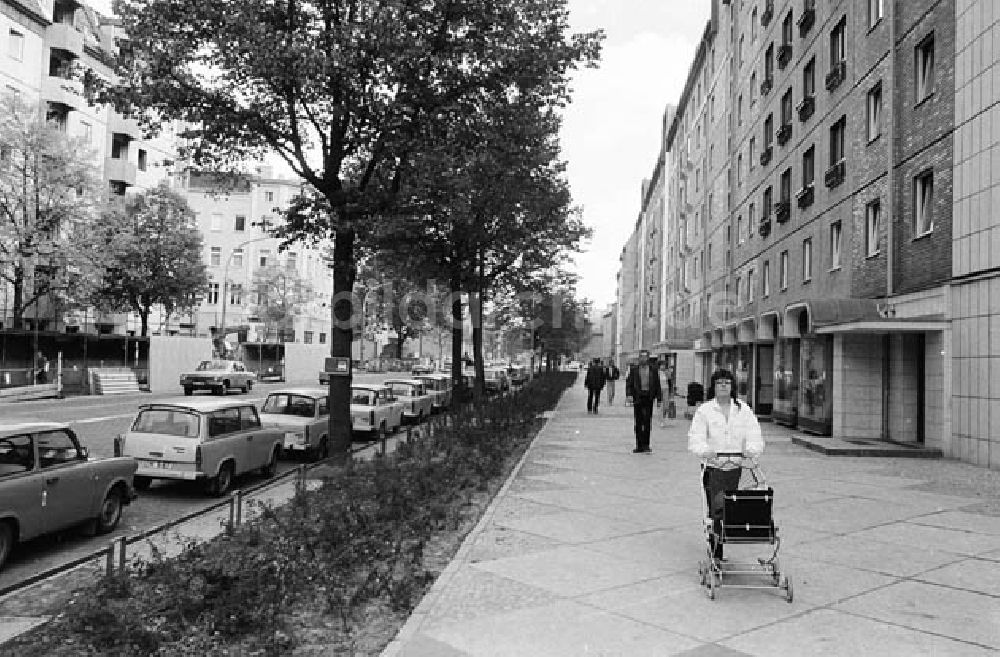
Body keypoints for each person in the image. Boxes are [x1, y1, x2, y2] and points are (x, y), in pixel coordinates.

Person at [687, 368, 764, 561]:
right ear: (713, 386)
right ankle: (716, 551)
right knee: (716, 509)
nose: (723, 386)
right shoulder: (705, 411)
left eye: (727, 382)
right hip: (714, 468)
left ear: (732, 386)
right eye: (719, 382)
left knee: (734, 508)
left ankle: (722, 542)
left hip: (736, 468)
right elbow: (695, 438)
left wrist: (752, 449)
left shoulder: (743, 410)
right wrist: (705, 451)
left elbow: (754, 434)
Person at [625, 350, 662, 452]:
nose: (643, 359)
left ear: (648, 358)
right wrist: (629, 395)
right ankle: (639, 445)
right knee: (638, 421)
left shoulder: (653, 370)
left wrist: (659, 399)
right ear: (639, 358)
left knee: (647, 421)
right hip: (638, 397)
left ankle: (646, 444)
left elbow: (657, 384)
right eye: (641, 357)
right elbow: (629, 383)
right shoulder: (634, 369)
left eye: (645, 357)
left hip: (649, 397)